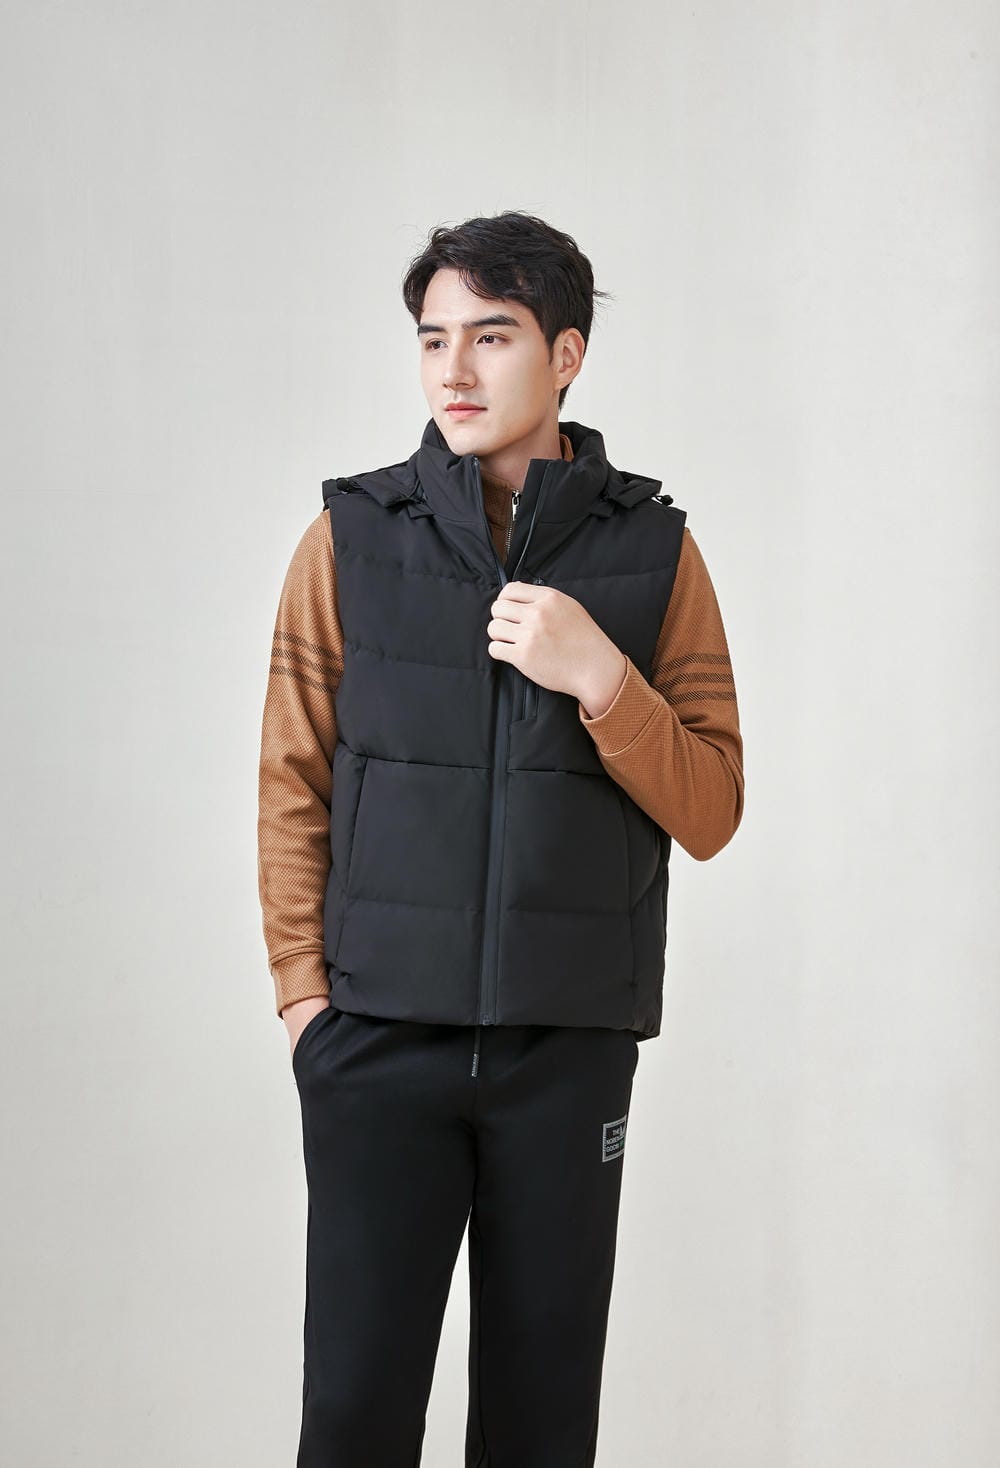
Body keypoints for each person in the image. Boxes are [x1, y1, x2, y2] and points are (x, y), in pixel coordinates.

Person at [257, 210, 744, 1467]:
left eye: (493, 336)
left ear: (565, 354)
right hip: (377, 1044)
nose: (455, 371)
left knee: (540, 1428)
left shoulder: (656, 552)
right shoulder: (349, 539)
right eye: (434, 340)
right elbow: (292, 778)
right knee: (353, 1417)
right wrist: (307, 1003)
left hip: (564, 1052)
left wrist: (601, 678)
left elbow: (711, 806)